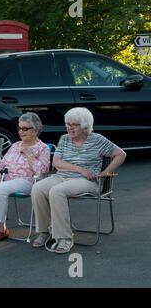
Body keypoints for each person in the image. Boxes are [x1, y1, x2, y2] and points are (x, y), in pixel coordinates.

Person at [31, 107, 127, 254]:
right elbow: (56, 162)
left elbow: (120, 154)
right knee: (38, 188)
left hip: (87, 181)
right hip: (63, 176)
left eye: (74, 124)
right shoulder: (64, 139)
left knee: (57, 191)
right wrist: (79, 169)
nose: (69, 127)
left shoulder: (98, 140)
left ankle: (65, 238)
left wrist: (105, 173)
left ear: (85, 126)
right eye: (68, 124)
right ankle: (45, 231)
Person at [0, 112, 50, 243]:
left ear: (36, 130)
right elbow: (1, 162)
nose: (21, 131)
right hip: (7, 178)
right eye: (20, 128)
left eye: (25, 128)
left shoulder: (43, 148)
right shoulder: (15, 145)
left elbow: (42, 171)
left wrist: (29, 154)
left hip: (28, 181)